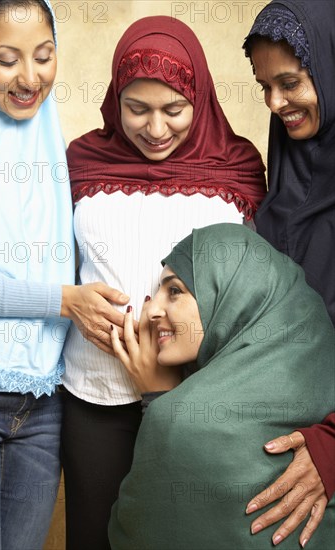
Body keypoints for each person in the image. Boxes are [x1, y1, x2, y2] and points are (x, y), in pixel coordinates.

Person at [61, 15, 266, 550]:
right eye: (137, 109)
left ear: (199, 99)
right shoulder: (82, 161)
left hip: (199, 401)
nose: (155, 129)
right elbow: (55, 267)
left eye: (174, 110)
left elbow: (252, 295)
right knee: (93, 536)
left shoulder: (237, 168)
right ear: (113, 98)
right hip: (95, 398)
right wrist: (71, 302)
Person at [108, 222, 335, 550]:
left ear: (235, 295)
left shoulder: (181, 423)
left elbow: (131, 532)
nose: (152, 310)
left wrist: (159, 402)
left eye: (174, 291)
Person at [0, 1, 95, 548]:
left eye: (44, 56)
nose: (30, 78)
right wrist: (63, 301)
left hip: (44, 398)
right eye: (5, 59)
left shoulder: (47, 135)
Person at [242, 1, 335, 546]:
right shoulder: (282, 179)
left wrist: (330, 444)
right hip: (283, 443)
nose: (276, 103)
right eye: (263, 87)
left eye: (291, 83)